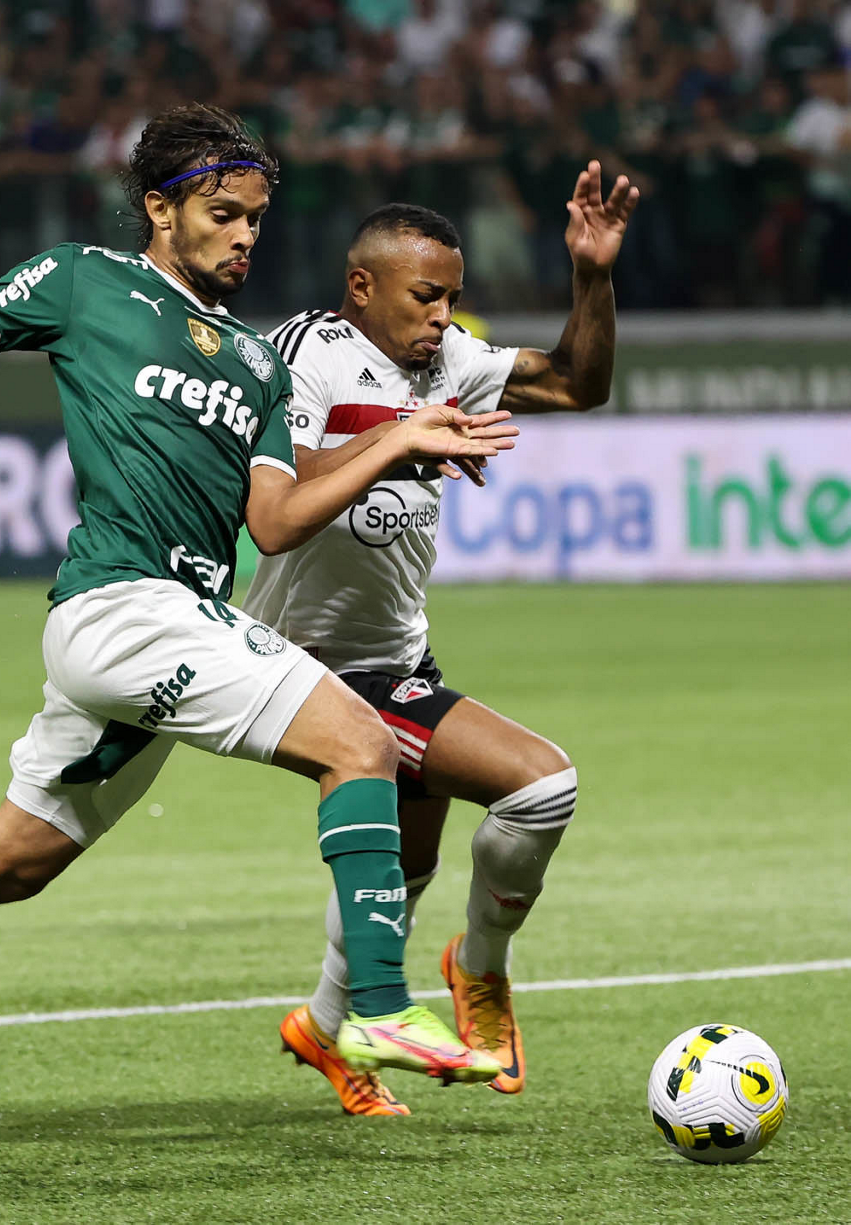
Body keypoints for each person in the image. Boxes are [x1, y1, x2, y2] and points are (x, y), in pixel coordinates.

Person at [0, 105, 517, 1089]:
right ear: (160, 209)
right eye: (222, 213)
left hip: (173, 627)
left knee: (11, 860)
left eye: (254, 217)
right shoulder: (85, 281)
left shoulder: (257, 366)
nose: (244, 234)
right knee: (361, 741)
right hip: (121, 606)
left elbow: (277, 522)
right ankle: (373, 1007)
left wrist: (393, 440)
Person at [246, 162, 638, 1114]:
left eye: (453, 298)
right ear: (362, 285)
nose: (443, 316)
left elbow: (578, 384)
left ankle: (326, 1026)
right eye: (426, 295)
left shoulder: (451, 360)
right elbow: (282, 497)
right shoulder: (309, 350)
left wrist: (590, 275)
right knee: (542, 786)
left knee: (405, 867)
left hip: (397, 656)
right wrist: (400, 440)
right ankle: (481, 967)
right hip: (307, 663)